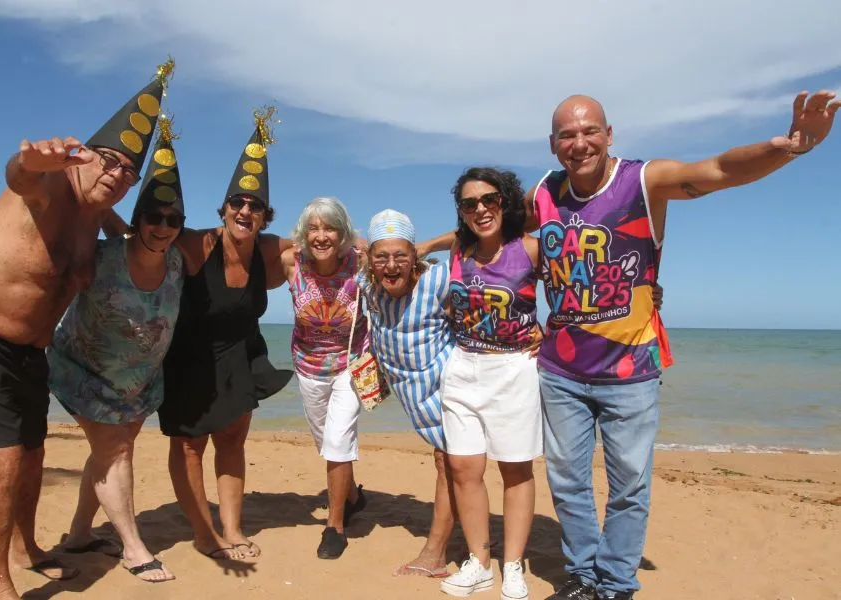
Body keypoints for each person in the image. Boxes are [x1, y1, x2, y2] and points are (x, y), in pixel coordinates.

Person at [528, 91, 839, 600]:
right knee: (567, 483)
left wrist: (790, 146)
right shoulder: (543, 192)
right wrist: (425, 250)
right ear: (553, 143)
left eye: (590, 131)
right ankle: (583, 576)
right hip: (560, 369)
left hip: (630, 369)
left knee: (629, 487)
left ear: (609, 135)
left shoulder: (643, 181)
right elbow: (501, 243)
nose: (579, 143)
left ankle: (616, 584)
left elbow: (717, 169)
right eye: (567, 134)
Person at [0, 60, 172, 600]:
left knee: (32, 455)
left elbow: (144, 241)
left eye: (128, 170)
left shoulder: (98, 215)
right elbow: (20, 176)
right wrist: (29, 159)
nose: (115, 174)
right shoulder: (51, 186)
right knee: (3, 462)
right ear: (81, 157)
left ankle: (26, 548)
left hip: (29, 350)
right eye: (107, 160)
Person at [104, 108, 295, 561]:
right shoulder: (194, 243)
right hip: (189, 359)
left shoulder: (271, 251)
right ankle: (203, 530)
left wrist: (375, 248)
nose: (245, 211)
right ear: (224, 209)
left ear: (265, 216)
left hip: (242, 356)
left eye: (255, 207)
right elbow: (135, 237)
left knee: (232, 442)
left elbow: (328, 244)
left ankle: (233, 527)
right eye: (237, 204)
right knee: (190, 447)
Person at [48, 116, 186, 582]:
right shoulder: (101, 257)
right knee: (115, 453)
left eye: (173, 219)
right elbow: (37, 270)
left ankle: (80, 535)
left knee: (109, 452)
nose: (163, 226)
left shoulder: (179, 264)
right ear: (138, 219)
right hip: (83, 372)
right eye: (154, 216)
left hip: (139, 382)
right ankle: (133, 548)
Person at [437, 167, 541, 600]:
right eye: (469, 203)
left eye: (489, 199)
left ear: (505, 201)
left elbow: (573, 288)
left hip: (514, 368)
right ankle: (479, 563)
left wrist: (550, 329)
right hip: (462, 366)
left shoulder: (531, 249)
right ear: (461, 212)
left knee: (515, 469)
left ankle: (512, 566)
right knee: (463, 467)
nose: (481, 208)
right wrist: (421, 245)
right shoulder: (459, 250)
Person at [355, 209, 458, 579]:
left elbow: (476, 244)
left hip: (449, 390)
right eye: (382, 256)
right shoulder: (367, 284)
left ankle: (436, 552)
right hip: (413, 397)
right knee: (450, 463)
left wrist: (430, 244)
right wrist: (362, 245)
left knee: (449, 461)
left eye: (401, 255)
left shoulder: (437, 278)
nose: (391, 265)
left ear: (415, 258)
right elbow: (335, 236)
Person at [280, 196, 368, 560]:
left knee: (337, 439)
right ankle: (352, 496)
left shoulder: (360, 263)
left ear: (343, 232)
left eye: (330, 227)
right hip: (308, 367)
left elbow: (398, 259)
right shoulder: (291, 262)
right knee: (326, 444)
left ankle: (335, 527)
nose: (321, 236)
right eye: (313, 228)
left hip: (351, 365)